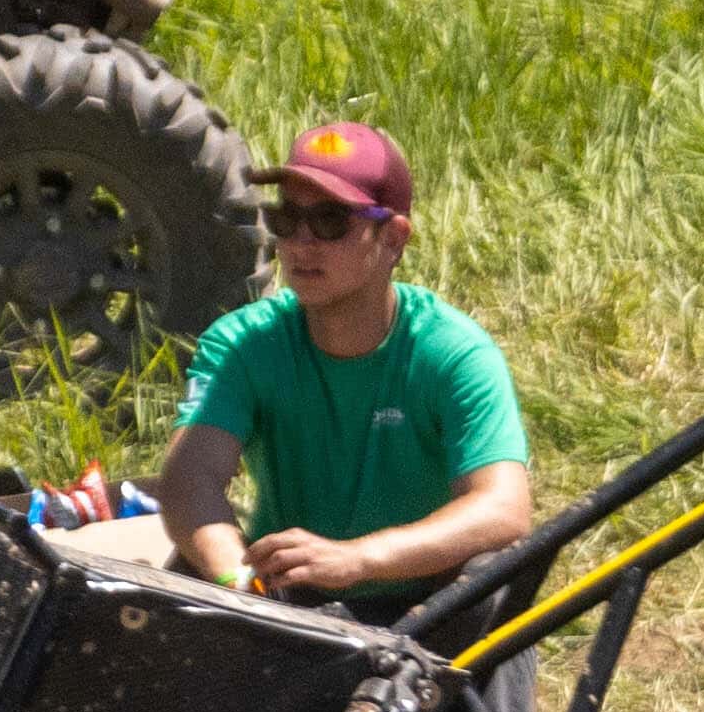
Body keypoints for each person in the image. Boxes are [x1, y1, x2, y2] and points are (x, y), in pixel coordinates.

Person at [151, 118, 536, 616]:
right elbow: (188, 482)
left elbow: (504, 508)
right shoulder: (243, 343)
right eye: (286, 219)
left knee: (497, 571)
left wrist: (359, 559)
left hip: (426, 602)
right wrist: (239, 581)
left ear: (394, 238)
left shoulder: (454, 352)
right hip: (291, 597)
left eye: (331, 221)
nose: (301, 242)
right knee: (191, 568)